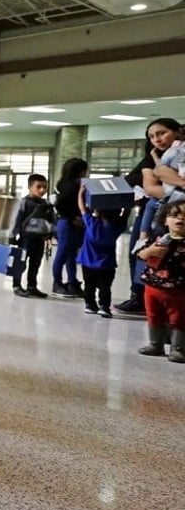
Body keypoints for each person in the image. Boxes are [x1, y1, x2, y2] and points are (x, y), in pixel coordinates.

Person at [119, 119, 183, 312]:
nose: (157, 139)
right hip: (157, 212)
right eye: (152, 136)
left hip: (177, 216)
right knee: (143, 251)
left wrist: (169, 179)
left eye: (162, 133)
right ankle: (140, 296)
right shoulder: (152, 158)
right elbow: (151, 188)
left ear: (178, 132)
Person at [135, 199, 185, 363]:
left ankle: (178, 348)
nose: (180, 219)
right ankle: (155, 343)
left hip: (179, 290)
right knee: (153, 315)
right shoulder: (158, 239)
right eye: (175, 215)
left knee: (179, 318)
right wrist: (151, 250)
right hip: (152, 288)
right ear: (165, 220)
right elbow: (140, 254)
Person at [76, 183, 128, 318]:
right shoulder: (116, 228)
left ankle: (90, 305)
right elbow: (125, 216)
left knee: (89, 285)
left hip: (88, 263)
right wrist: (127, 203)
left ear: (97, 211)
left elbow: (82, 208)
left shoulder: (92, 224)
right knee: (105, 287)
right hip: (107, 265)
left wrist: (81, 193)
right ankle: (104, 307)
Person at [9, 173, 52, 299]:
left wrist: (49, 233)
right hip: (25, 238)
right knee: (20, 262)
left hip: (39, 238)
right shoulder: (24, 203)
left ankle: (32, 286)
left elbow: (50, 221)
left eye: (44, 187)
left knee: (36, 263)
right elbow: (16, 219)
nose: (42, 190)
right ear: (29, 187)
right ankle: (16, 286)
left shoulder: (47, 204)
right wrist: (13, 235)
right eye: (38, 187)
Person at [51, 157, 88, 297]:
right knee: (62, 253)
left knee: (71, 255)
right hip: (67, 223)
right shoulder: (69, 186)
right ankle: (57, 283)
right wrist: (74, 218)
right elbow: (60, 206)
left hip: (73, 222)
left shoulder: (67, 184)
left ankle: (72, 282)